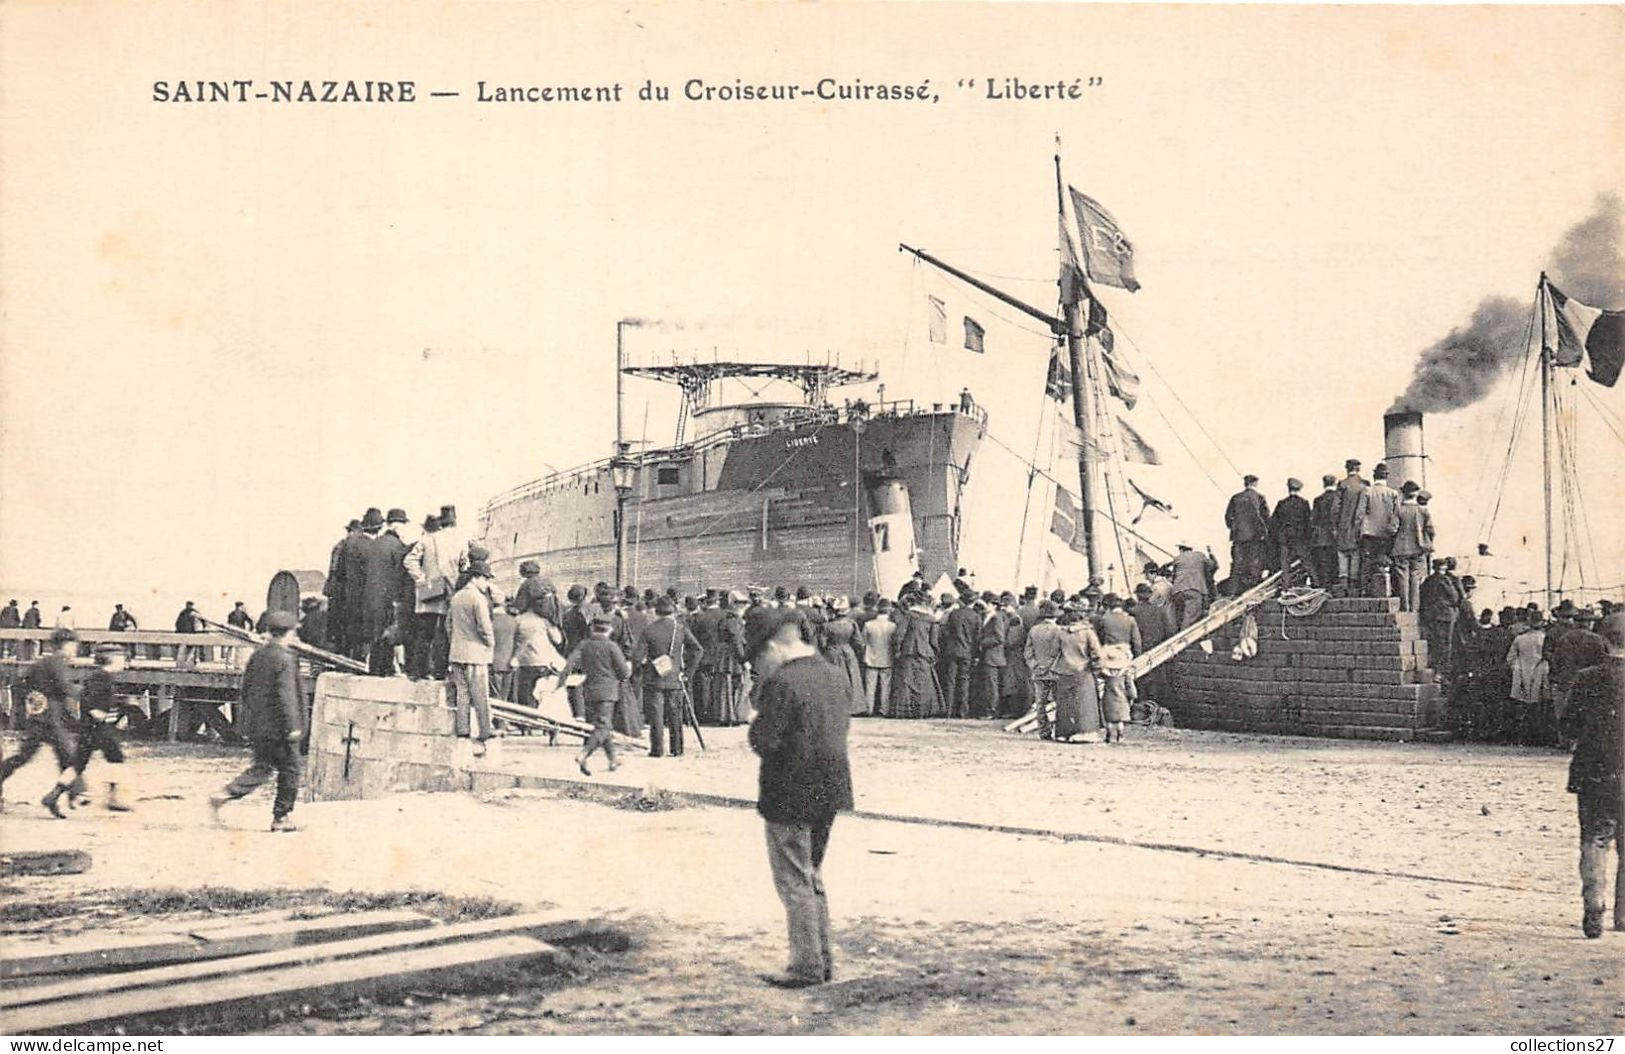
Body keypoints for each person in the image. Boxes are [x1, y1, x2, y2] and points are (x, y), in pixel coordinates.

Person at [748, 606, 854, 988]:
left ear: (774, 648)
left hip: (789, 792)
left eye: (759, 658)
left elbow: (765, 741)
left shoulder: (782, 683)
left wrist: (755, 716)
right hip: (830, 789)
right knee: (813, 876)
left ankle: (805, 967)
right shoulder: (833, 674)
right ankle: (823, 961)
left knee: (793, 881)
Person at [208, 611, 304, 832]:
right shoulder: (285, 658)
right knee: (290, 770)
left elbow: (246, 690)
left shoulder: (258, 656)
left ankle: (225, 794)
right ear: (289, 633)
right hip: (281, 728)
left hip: (259, 725)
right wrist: (293, 727)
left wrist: (250, 720)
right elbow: (286, 695)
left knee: (262, 767)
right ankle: (281, 817)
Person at [1560, 616, 1623, 937]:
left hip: (1594, 772)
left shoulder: (1587, 679)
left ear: (1604, 642)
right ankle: (1623, 915)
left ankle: (1594, 905)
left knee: (1595, 840)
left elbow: (1568, 726)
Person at [0, 629, 81, 814]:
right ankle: (70, 796)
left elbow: (21, 686)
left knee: (23, 757)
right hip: (52, 720)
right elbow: (65, 688)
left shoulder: (41, 663)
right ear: (66, 645)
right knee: (70, 758)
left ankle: (63, 797)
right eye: (74, 646)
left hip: (38, 717)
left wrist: (32, 707)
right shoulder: (58, 663)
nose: (75, 650)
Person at [55, 643, 136, 814]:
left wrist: (121, 704)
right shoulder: (102, 677)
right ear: (111, 659)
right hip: (98, 729)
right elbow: (91, 702)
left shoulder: (103, 676)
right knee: (116, 758)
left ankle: (53, 795)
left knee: (78, 764)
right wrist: (102, 716)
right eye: (121, 658)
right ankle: (114, 798)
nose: (124, 663)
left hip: (91, 729)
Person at [558, 618, 630, 775]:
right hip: (608, 691)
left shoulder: (584, 645)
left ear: (592, 629)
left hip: (589, 691)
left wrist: (560, 682)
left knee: (601, 726)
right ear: (609, 630)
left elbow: (569, 664)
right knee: (603, 726)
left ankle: (613, 759)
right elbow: (624, 672)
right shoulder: (612, 646)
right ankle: (584, 754)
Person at [634, 596, 702, 758]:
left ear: (656, 611)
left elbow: (637, 657)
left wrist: (644, 666)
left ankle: (657, 749)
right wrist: (687, 673)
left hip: (654, 678)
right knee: (675, 713)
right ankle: (677, 748)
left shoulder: (649, 630)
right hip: (675, 677)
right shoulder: (680, 628)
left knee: (656, 714)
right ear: (672, 610)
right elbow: (698, 650)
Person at [447, 557, 497, 757]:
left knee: (463, 695)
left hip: (457, 653)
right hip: (476, 654)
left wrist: (455, 642)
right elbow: (485, 627)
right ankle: (485, 732)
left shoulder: (457, 597)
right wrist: (490, 644)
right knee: (481, 696)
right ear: (477, 578)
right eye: (486, 579)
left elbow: (448, 626)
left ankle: (463, 732)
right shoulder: (478, 599)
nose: (487, 583)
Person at [1053, 604, 1105, 743]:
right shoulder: (1087, 632)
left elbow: (1054, 652)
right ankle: (1084, 732)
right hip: (1083, 671)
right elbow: (1096, 653)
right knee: (1084, 703)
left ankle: (1063, 733)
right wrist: (1097, 669)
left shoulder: (1061, 632)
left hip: (1064, 671)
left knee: (1065, 704)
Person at [1096, 594, 1142, 743]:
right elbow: (1136, 642)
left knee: (1107, 689)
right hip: (1123, 656)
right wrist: (1135, 657)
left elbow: (1100, 639)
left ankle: (1108, 728)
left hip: (1107, 656)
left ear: (1108, 606)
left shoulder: (1104, 620)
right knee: (1123, 688)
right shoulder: (1130, 620)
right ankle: (1121, 729)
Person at [888, 591, 941, 719]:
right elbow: (934, 640)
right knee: (924, 682)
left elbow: (899, 635)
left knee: (906, 681)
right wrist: (934, 653)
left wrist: (897, 650)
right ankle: (924, 710)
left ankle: (904, 710)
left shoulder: (908, 616)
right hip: (925, 653)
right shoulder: (931, 619)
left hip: (908, 651)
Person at [1355, 463, 1401, 598]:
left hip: (1369, 533)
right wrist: (1392, 530)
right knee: (1386, 562)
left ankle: (1365, 590)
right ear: (1386, 476)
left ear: (1374, 476)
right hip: (1386, 534)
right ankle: (1389, 591)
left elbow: (1359, 514)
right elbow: (1396, 515)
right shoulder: (1393, 493)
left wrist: (1359, 531)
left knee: (1367, 563)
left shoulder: (1367, 491)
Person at [513, 595, 567, 708]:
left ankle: (527, 721)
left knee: (526, 694)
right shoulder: (544, 621)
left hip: (524, 662)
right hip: (543, 661)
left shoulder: (517, 620)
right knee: (543, 693)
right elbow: (558, 640)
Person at [1024, 600, 1067, 740]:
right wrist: (1049, 666)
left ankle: (1043, 731)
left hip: (1038, 672)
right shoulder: (1059, 631)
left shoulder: (1034, 630)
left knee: (1040, 703)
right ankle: (1058, 730)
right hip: (1055, 672)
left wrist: (1035, 666)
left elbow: (1028, 653)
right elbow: (1060, 653)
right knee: (1058, 702)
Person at [1506, 611, 1550, 747]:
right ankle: (1538, 738)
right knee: (1540, 706)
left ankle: (1521, 738)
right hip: (1540, 672)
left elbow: (1510, 658)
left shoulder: (1520, 639)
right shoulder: (1545, 638)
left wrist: (1517, 668)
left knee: (1521, 706)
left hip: (1522, 673)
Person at [820, 597, 869, 717]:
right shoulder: (851, 624)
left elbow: (822, 643)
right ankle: (854, 706)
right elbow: (858, 642)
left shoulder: (827, 626)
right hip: (847, 651)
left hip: (832, 652)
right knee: (852, 678)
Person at [1390, 482, 1434, 613]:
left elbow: (1393, 529)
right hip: (1418, 549)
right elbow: (1431, 530)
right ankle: (1415, 609)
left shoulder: (1399, 509)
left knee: (1402, 578)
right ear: (1415, 494)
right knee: (1415, 579)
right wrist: (1426, 543)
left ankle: (1405, 607)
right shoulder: (1423, 510)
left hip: (1401, 548)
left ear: (1403, 493)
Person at [323, 519, 362, 657]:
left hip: (337, 592)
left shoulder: (340, 546)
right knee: (343, 628)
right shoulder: (344, 547)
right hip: (341, 593)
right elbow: (335, 571)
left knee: (339, 629)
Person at [1132, 582, 1174, 707]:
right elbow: (1169, 630)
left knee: (1141, 677)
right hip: (1158, 647)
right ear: (1150, 595)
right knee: (1158, 678)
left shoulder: (1134, 612)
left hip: (1141, 648)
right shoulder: (1160, 611)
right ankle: (1159, 706)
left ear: (1138, 596)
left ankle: (1143, 706)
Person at [1224, 475, 1271, 587]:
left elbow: (1228, 517)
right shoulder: (1259, 497)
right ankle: (1253, 587)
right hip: (1255, 537)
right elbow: (1266, 517)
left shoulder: (1236, 497)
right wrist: (1264, 533)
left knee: (1237, 564)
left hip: (1239, 537)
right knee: (1254, 563)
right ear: (1255, 484)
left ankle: (1233, 590)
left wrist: (1235, 529)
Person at [939, 593, 981, 719]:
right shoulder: (976, 616)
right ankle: (963, 711)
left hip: (952, 651)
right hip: (967, 652)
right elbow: (977, 638)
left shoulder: (954, 614)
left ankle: (948, 710)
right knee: (964, 681)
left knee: (950, 681)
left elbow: (945, 631)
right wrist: (976, 654)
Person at [1333, 459, 1368, 596]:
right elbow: (1363, 509)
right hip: (1358, 527)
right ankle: (1353, 587)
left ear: (1347, 469)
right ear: (1358, 469)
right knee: (1355, 554)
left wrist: (1335, 525)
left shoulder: (1342, 484)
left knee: (1342, 554)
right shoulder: (1364, 485)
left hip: (1343, 526)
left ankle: (1343, 585)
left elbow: (1335, 508)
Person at [1269, 478, 1313, 586]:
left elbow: (1274, 522)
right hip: (1299, 537)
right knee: (1306, 561)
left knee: (1285, 565)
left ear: (1288, 489)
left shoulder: (1282, 503)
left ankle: (1286, 587)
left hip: (1284, 537)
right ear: (1299, 489)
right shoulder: (1304, 503)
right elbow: (1309, 521)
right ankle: (1316, 583)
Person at [860, 598, 897, 716]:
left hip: (871, 658)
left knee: (870, 686)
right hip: (887, 658)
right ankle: (884, 709)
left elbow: (862, 642)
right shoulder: (893, 626)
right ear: (889, 610)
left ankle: (869, 709)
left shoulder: (868, 625)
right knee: (886, 686)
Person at [1169, 541, 1218, 629]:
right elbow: (1214, 565)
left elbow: (1174, 577)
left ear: (1181, 549)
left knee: (1180, 618)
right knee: (1191, 617)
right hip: (1193, 590)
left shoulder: (1177, 558)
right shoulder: (1200, 556)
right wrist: (1211, 553)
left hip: (1177, 592)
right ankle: (1184, 638)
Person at [1308, 474, 1341, 589]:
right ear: (1335, 483)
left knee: (1323, 565)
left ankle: (1324, 589)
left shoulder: (1318, 499)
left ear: (1324, 484)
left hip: (1320, 538)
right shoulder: (1339, 497)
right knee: (1335, 564)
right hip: (1335, 536)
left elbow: (1313, 520)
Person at [490, 599, 519, 703]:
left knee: (495, 696)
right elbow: (518, 641)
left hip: (493, 663)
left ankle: (498, 718)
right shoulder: (513, 621)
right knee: (505, 695)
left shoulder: (489, 621)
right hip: (509, 663)